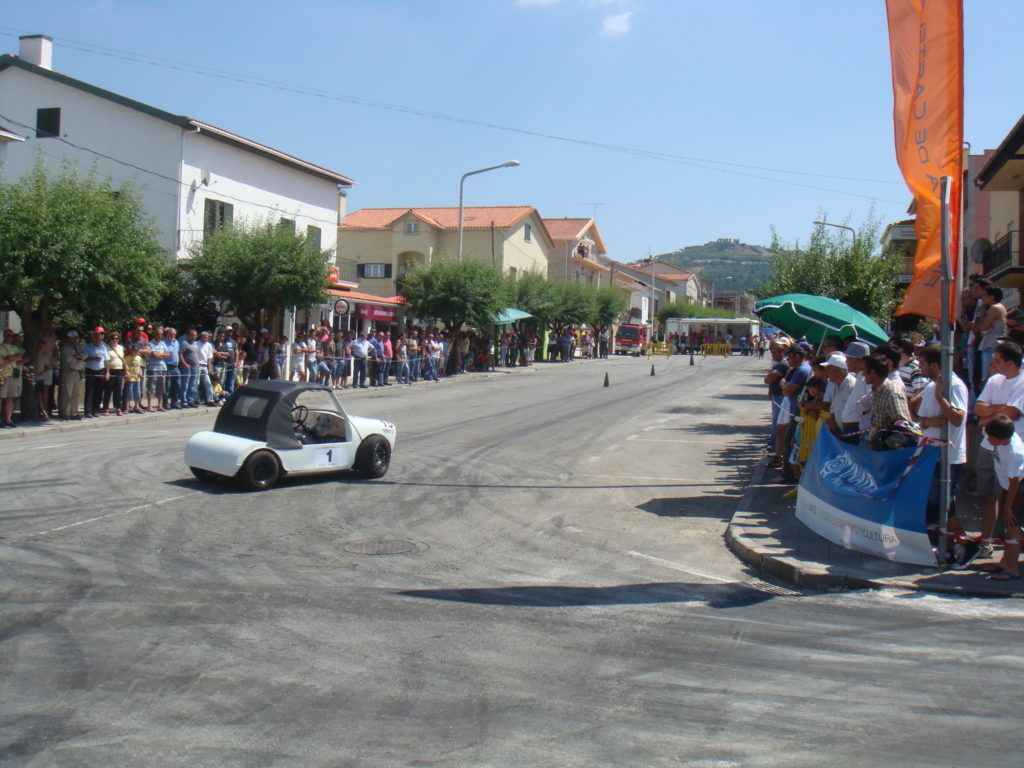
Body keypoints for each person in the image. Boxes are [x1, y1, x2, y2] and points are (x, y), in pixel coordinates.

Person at [911, 343, 971, 566]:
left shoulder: (953, 385)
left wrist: (940, 398)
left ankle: (965, 544)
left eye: (923, 363)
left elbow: (956, 418)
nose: (919, 366)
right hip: (930, 454)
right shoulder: (931, 384)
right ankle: (944, 549)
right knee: (935, 505)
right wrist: (926, 421)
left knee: (947, 505)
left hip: (949, 456)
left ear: (935, 365)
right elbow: (915, 410)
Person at [973, 340, 1024, 558]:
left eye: (997, 359)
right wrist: (999, 410)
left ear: (1010, 363)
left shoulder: (1022, 382)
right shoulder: (994, 380)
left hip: (1010, 449)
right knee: (988, 496)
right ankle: (986, 541)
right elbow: (978, 408)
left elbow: (1012, 415)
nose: (992, 362)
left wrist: (989, 415)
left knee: (1012, 502)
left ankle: (1011, 551)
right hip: (988, 446)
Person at [979, 415, 1024, 581]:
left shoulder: (1014, 453)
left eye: (991, 437)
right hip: (1009, 487)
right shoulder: (1004, 442)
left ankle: (1012, 568)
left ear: (1004, 439)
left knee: (1012, 525)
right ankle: (1005, 562)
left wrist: (1008, 507)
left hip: (1018, 490)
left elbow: (1015, 482)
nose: (988, 439)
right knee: (1007, 526)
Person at [864, 353, 913, 449]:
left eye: (865, 371)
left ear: (873, 372)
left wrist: (885, 441)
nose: (863, 374)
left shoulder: (892, 393)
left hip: (887, 452)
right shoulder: (876, 390)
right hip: (874, 447)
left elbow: (903, 425)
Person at [975, 284, 1007, 382]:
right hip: (996, 342)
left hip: (991, 344)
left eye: (984, 296)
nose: (982, 299)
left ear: (991, 297)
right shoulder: (1001, 307)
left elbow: (983, 326)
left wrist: (981, 312)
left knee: (989, 375)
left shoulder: (994, 308)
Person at [0, 329, 28, 428]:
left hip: (13, 375)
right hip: (3, 375)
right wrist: (12, 359)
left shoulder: (14, 347)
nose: (10, 337)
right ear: (4, 336)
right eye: (8, 335)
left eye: (11, 336)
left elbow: (21, 356)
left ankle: (8, 419)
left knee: (10, 398)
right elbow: (1, 362)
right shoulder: (1, 347)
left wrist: (9, 358)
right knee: (1, 397)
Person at [823, 353, 855, 437]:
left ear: (838, 370)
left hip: (849, 433)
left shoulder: (851, 386)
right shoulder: (836, 385)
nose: (826, 371)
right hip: (839, 431)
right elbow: (833, 408)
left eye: (828, 368)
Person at [82, 326, 110, 418]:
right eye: (98, 334)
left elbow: (107, 360)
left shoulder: (104, 347)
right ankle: (88, 411)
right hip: (90, 370)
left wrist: (107, 372)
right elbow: (84, 359)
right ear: (94, 335)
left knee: (99, 392)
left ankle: (96, 410)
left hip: (100, 371)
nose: (100, 336)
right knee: (90, 391)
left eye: (102, 334)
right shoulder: (88, 347)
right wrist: (93, 358)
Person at [58, 329, 86, 420]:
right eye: (72, 338)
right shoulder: (65, 347)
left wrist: (79, 357)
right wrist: (78, 358)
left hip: (78, 372)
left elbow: (85, 355)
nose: (74, 340)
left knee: (76, 393)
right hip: (69, 371)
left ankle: (74, 412)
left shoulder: (78, 346)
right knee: (67, 392)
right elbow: (69, 360)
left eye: (76, 338)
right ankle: (65, 412)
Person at [103, 330, 126, 415]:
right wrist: (107, 372)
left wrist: (125, 369)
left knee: (118, 390)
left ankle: (118, 407)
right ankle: (106, 408)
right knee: (108, 390)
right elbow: (106, 359)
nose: (115, 340)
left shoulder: (120, 347)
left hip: (119, 370)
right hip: (110, 370)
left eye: (117, 338)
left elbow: (123, 358)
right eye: (113, 338)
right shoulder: (106, 347)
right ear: (110, 339)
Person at [33, 339, 54, 421]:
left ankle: (44, 411)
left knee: (40, 395)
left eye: (42, 347)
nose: (41, 348)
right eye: (40, 347)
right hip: (33, 377)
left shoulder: (44, 356)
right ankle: (43, 411)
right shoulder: (33, 355)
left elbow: (48, 366)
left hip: (40, 378)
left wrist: (43, 372)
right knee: (38, 396)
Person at [122, 342, 144, 414]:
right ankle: (127, 407)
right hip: (130, 379)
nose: (136, 352)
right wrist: (127, 372)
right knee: (129, 392)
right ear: (132, 350)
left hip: (137, 379)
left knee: (137, 393)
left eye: (137, 350)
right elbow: (125, 366)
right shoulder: (128, 358)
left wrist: (140, 372)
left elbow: (140, 367)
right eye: (135, 350)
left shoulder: (139, 358)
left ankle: (137, 406)